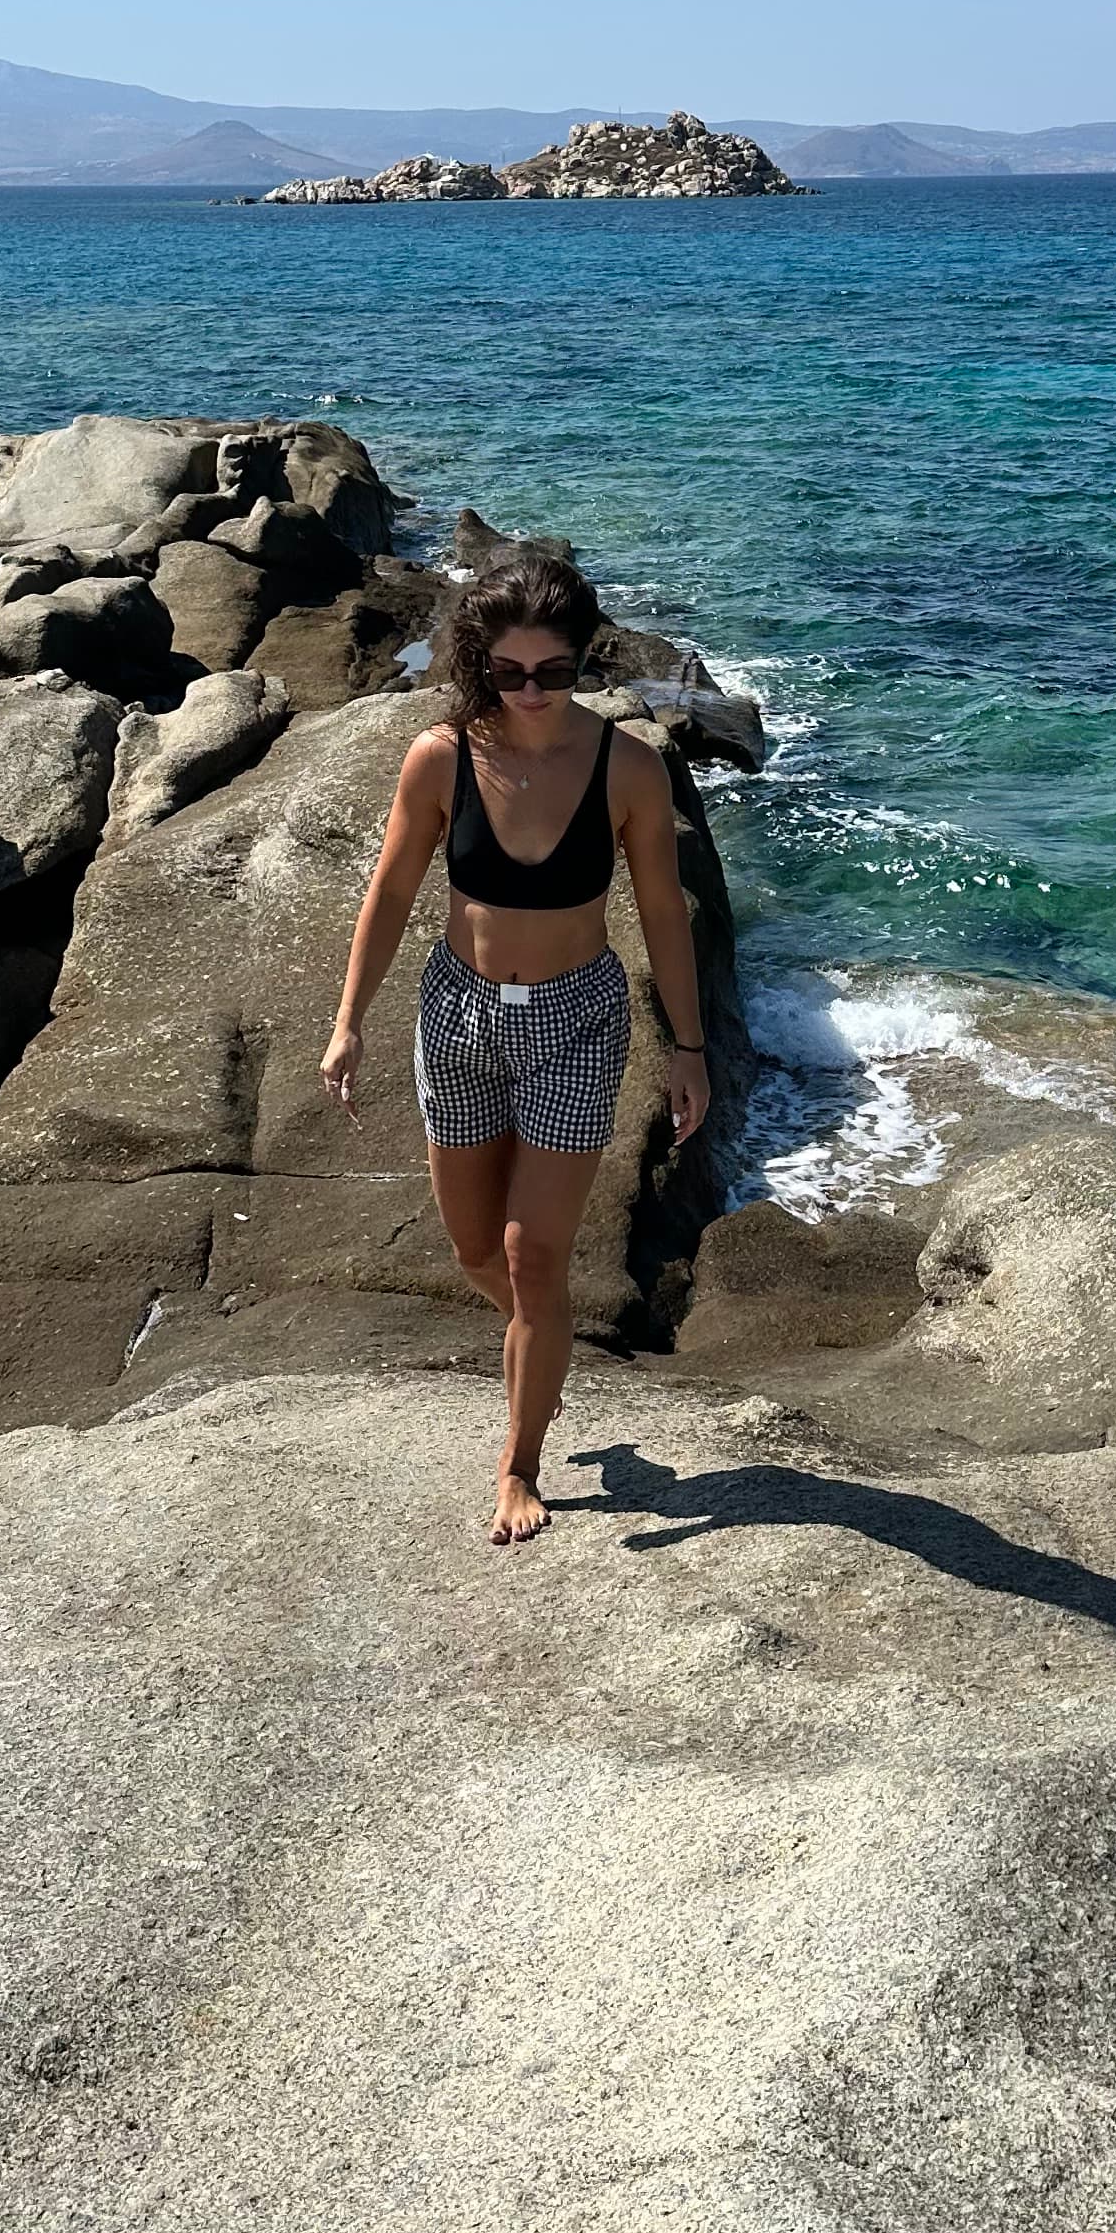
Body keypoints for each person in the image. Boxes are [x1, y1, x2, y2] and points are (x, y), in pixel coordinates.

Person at [322, 548, 711, 1544]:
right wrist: (348, 1020)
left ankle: (520, 1462)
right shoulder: (441, 757)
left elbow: (662, 910)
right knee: (471, 1249)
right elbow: (394, 888)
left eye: (555, 671)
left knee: (534, 1258)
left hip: (577, 1023)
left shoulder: (627, 766)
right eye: (510, 673)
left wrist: (688, 1044)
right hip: (457, 1017)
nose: (533, 693)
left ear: (584, 660)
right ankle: (537, 1352)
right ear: (477, 664)